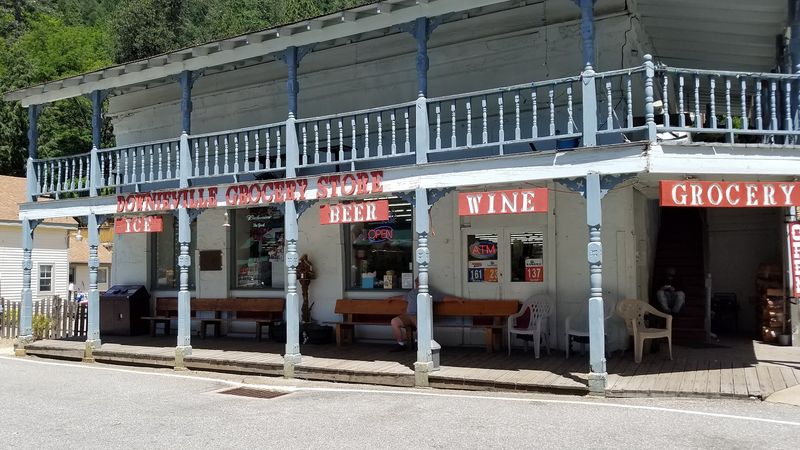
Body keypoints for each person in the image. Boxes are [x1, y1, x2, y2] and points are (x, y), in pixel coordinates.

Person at [389, 278, 441, 352]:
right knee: (394, 321)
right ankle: (400, 344)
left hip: (420, 315)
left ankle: (418, 344)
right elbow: (403, 297)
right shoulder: (412, 292)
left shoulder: (430, 291)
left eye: (418, 282)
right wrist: (392, 298)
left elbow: (443, 297)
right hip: (408, 315)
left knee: (421, 323)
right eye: (416, 282)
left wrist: (457, 299)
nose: (417, 284)